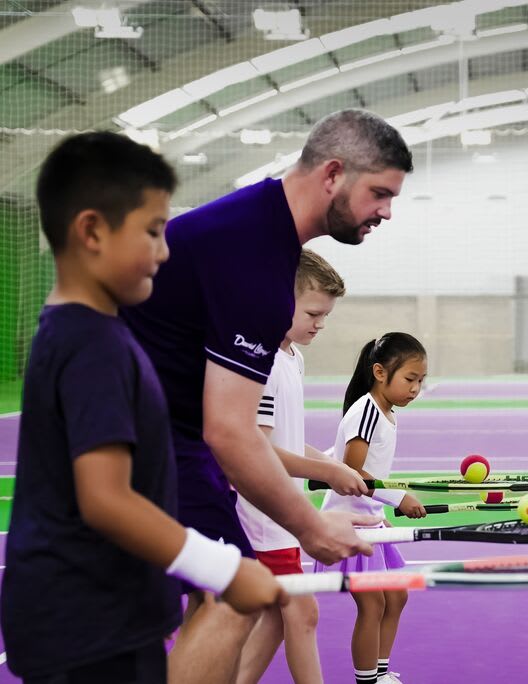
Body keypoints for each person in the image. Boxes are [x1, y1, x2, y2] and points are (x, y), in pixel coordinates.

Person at [120, 109, 414, 684]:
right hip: (149, 442)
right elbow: (230, 429)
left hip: (154, 437)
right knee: (234, 595)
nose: (386, 211)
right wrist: (311, 525)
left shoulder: (262, 235)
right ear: (333, 174)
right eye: (379, 193)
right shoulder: (256, 262)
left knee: (224, 599)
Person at [0, 132, 286, 683]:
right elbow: (105, 499)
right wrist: (224, 568)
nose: (165, 250)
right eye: (153, 232)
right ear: (92, 232)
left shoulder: (85, 334)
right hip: (87, 628)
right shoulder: (91, 346)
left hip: (95, 618)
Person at [235, 249, 348, 684]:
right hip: (264, 510)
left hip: (282, 507)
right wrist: (328, 473)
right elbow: (257, 450)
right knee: (302, 609)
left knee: (278, 613)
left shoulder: (293, 357)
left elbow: (283, 436)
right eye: (313, 313)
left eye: (326, 315)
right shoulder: (261, 361)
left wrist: (331, 463)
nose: (320, 324)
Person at [316, 333, 429, 684]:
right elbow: (353, 471)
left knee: (396, 598)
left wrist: (321, 465)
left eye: (421, 381)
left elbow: (341, 460)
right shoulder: (367, 409)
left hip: (372, 520)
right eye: (410, 379)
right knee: (373, 604)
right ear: (380, 372)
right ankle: (367, 681)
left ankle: (380, 674)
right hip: (353, 523)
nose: (416, 389)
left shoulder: (383, 411)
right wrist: (399, 498)